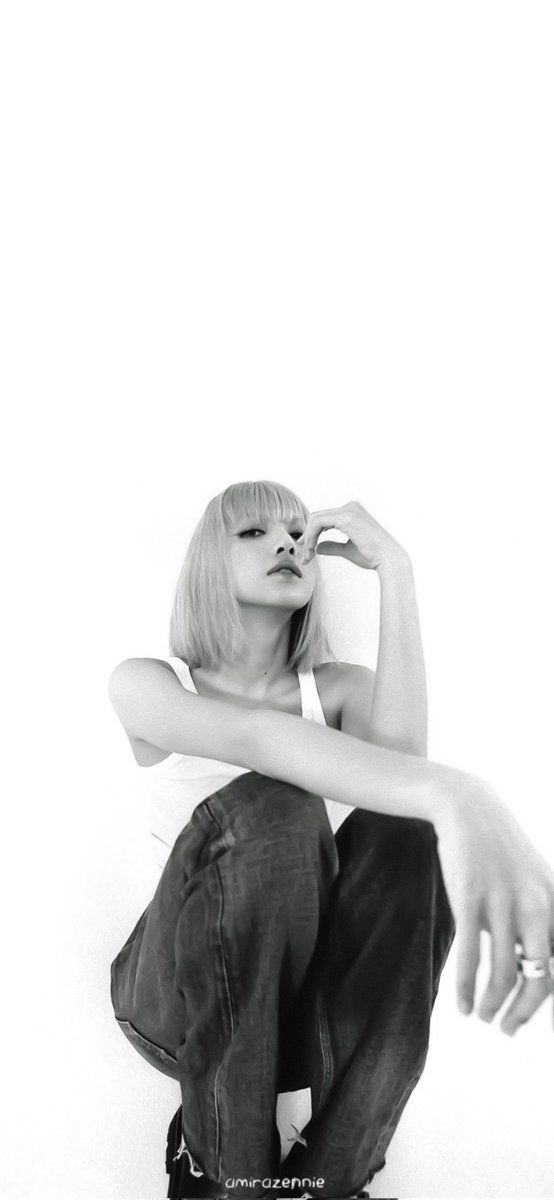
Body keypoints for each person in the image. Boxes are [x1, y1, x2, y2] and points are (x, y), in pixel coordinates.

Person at [109, 479, 554, 1200]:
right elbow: (258, 739)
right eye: (253, 533)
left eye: (296, 533)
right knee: (274, 805)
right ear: (205, 565)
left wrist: (397, 570)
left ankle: (327, 1184)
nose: (286, 543)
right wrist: (468, 794)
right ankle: (221, 1177)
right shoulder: (151, 684)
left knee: (410, 832)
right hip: (177, 1000)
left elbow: (404, 781)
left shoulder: (340, 689)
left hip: (307, 1013)